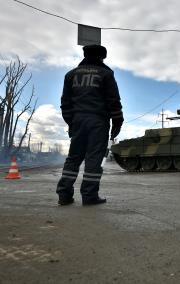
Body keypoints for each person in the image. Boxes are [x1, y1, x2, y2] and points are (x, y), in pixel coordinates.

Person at [56, 44, 124, 206]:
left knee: (73, 158)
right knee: (94, 158)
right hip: (98, 122)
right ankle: (89, 195)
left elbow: (65, 103)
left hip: (78, 121)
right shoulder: (106, 74)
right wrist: (117, 121)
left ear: (85, 55)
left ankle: (64, 195)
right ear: (102, 57)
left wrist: (71, 122)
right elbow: (113, 101)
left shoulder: (70, 75)